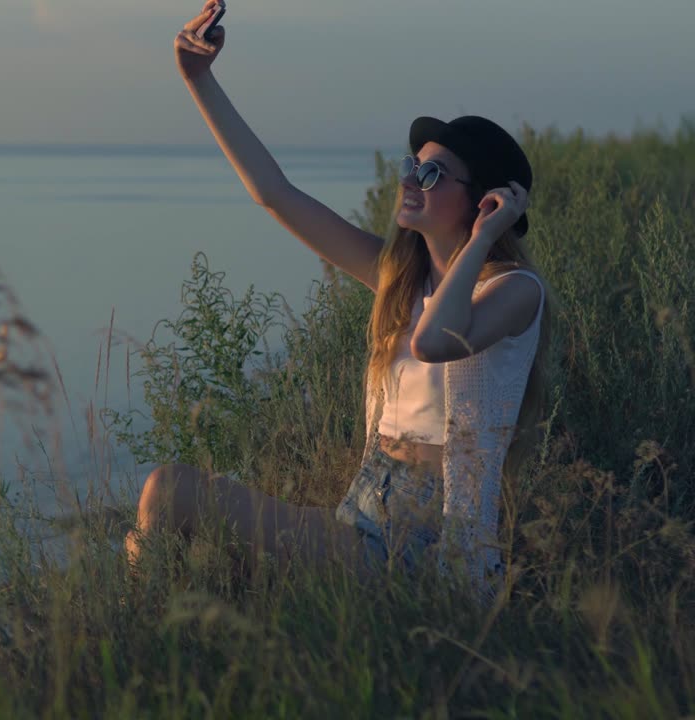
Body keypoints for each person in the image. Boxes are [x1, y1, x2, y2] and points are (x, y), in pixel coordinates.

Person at [123, 0, 552, 605]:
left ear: (485, 201)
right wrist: (200, 81)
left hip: (424, 550)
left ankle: (133, 626)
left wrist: (482, 240)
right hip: (360, 516)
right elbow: (275, 194)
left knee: (171, 490)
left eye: (432, 175)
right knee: (161, 529)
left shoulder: (515, 290)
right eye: (411, 167)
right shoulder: (401, 280)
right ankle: (142, 623)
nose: (409, 180)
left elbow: (435, 341)